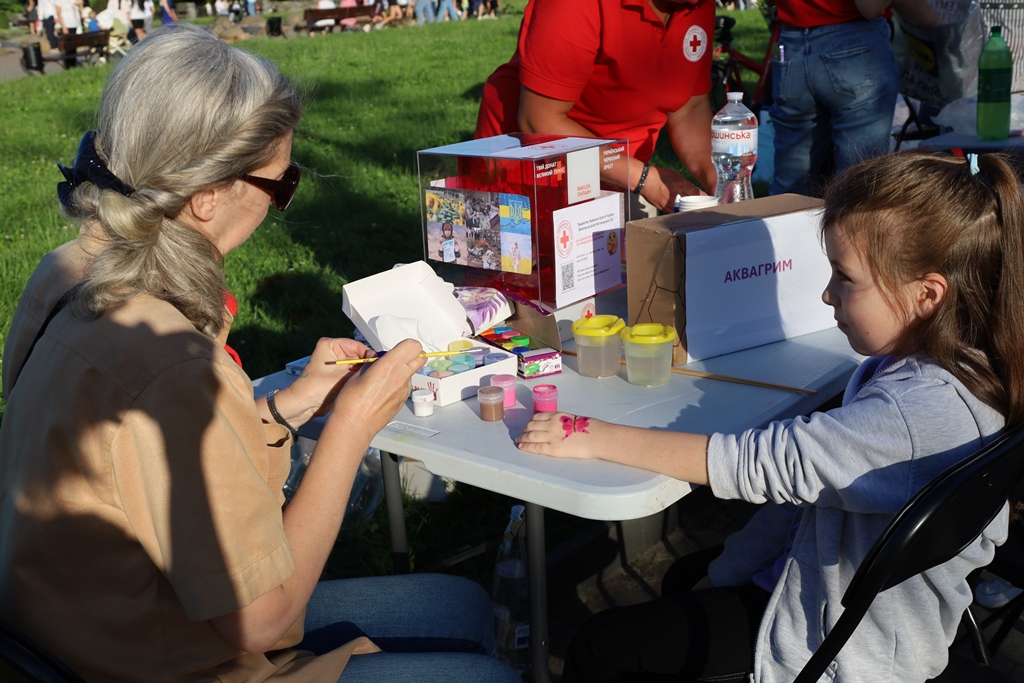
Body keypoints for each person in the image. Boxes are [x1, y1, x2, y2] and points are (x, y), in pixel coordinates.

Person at [0, 25, 521, 683]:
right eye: (282, 183)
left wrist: (282, 409)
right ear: (207, 195)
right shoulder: (173, 361)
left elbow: (140, 465)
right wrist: (352, 427)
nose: (279, 204)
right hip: (162, 662)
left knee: (461, 608)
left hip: (77, 631)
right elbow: (261, 621)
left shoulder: (67, 270)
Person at [516, 150, 1024, 682]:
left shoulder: (914, 415)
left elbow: (758, 463)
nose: (827, 293)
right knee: (687, 578)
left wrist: (595, 434)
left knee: (600, 647)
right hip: (832, 601)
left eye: (844, 278)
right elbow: (804, 493)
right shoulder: (958, 366)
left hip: (834, 652)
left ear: (927, 295)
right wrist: (723, 574)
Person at [474, 0, 717, 214]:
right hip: (532, 172)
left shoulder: (696, 4)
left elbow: (689, 108)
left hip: (621, 173)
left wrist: (721, 178)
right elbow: (539, 120)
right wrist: (644, 178)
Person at [769, 0, 939, 196]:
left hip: (792, 44)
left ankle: (778, 217)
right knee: (857, 186)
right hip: (852, 42)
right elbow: (869, 7)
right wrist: (940, 26)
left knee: (790, 188)